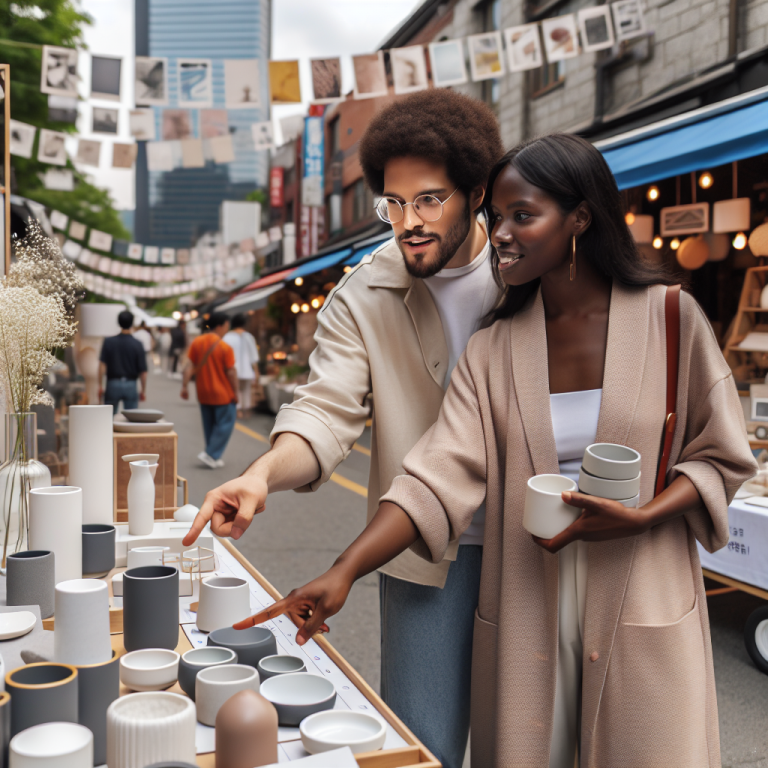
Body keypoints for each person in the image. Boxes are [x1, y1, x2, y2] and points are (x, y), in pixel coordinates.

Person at [231, 135, 757, 767]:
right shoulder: (496, 347)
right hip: (526, 590)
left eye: (523, 216)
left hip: (641, 588)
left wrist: (643, 515)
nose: (502, 234)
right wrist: (344, 569)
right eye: (497, 218)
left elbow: (719, 456)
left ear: (580, 218)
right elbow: (436, 474)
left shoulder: (672, 318)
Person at [184, 89, 503, 768]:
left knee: (528, 743)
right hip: (419, 550)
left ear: (476, 193)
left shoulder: (524, 270)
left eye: (429, 199)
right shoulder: (362, 294)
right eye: (393, 202)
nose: (407, 220)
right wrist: (260, 473)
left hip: (533, 546)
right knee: (422, 744)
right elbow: (326, 412)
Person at [181, 312, 238, 469]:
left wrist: (184, 386)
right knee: (225, 424)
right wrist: (236, 392)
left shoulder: (197, 342)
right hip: (222, 393)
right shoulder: (225, 347)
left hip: (203, 392)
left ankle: (212, 455)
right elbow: (231, 372)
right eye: (227, 325)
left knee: (209, 425)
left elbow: (190, 366)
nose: (227, 329)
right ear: (220, 326)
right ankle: (211, 453)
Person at [99, 309, 148, 413]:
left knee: (108, 417)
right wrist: (143, 390)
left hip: (112, 383)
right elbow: (143, 371)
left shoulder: (109, 342)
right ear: (132, 323)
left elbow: (102, 365)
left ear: (118, 322)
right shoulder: (137, 344)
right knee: (132, 418)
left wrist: (100, 385)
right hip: (131, 384)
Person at [223, 314, 260, 418]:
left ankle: (237, 410)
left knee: (236, 390)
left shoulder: (227, 337)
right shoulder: (249, 337)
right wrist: (256, 371)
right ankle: (246, 409)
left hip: (233, 369)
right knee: (246, 391)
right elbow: (254, 356)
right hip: (248, 370)